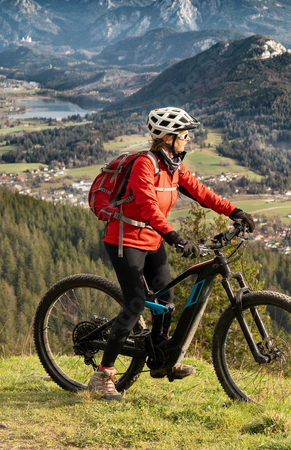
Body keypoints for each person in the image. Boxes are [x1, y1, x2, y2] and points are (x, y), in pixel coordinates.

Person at [88, 106, 254, 401]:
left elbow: (202, 193)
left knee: (165, 299)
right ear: (167, 138)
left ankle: (162, 358)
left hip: (152, 240)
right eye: (184, 135)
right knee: (136, 303)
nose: (188, 139)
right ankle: (103, 375)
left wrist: (235, 211)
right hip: (125, 239)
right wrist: (175, 238)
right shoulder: (145, 165)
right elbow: (149, 207)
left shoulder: (173, 167)